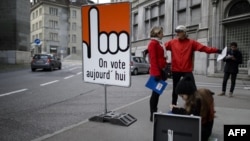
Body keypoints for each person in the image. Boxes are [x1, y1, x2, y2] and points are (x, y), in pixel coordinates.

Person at [164, 25, 222, 105]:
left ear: (184, 32)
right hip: (176, 70)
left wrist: (218, 50)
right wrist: (149, 49)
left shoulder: (191, 43)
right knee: (175, 89)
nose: (177, 34)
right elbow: (161, 48)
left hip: (187, 70)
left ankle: (194, 104)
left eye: (179, 32)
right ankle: (174, 105)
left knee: (193, 88)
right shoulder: (172, 42)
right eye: (176, 32)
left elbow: (204, 48)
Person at [170, 76, 215, 141]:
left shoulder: (197, 101)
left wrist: (175, 110)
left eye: (182, 96)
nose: (182, 98)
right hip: (205, 128)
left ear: (188, 93)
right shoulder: (197, 97)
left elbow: (190, 116)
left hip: (202, 133)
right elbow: (190, 113)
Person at [147, 26, 168, 122]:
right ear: (157, 34)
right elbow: (153, 60)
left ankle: (154, 112)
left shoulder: (159, 43)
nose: (163, 34)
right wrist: (156, 74)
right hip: (157, 72)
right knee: (155, 94)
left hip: (160, 71)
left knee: (157, 93)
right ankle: (152, 114)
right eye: (161, 33)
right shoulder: (153, 43)